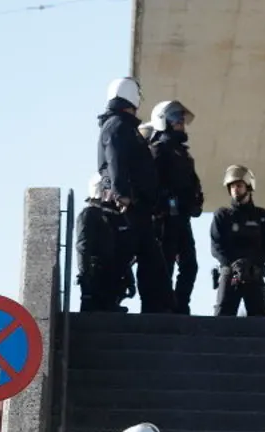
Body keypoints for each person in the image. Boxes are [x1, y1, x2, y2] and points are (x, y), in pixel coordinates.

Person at [96, 77, 172, 314]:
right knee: (125, 258)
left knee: (149, 261)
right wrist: (122, 194)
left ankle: (155, 310)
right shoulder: (118, 125)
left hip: (138, 206)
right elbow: (115, 161)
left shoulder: (122, 126)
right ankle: (107, 306)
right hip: (128, 205)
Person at [147, 99, 203, 314]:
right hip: (165, 219)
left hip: (182, 217)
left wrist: (196, 200)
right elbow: (151, 184)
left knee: (190, 265)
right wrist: (162, 204)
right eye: (175, 118)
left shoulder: (184, 154)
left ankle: (181, 305)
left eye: (181, 118)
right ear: (163, 121)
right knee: (166, 264)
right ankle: (164, 307)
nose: (181, 122)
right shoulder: (158, 150)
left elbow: (193, 183)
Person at [211, 165, 265, 316]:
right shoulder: (222, 215)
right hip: (230, 273)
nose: (235, 189)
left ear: (248, 187)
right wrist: (234, 265)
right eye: (232, 186)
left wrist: (250, 263)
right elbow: (216, 247)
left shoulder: (263, 216)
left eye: (239, 185)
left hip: (254, 272)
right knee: (221, 318)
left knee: (260, 318)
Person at [76, 173, 134, 313]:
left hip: (112, 278)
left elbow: (121, 250)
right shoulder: (89, 214)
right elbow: (83, 247)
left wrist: (129, 279)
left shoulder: (114, 217)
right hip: (96, 276)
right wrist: (85, 277)